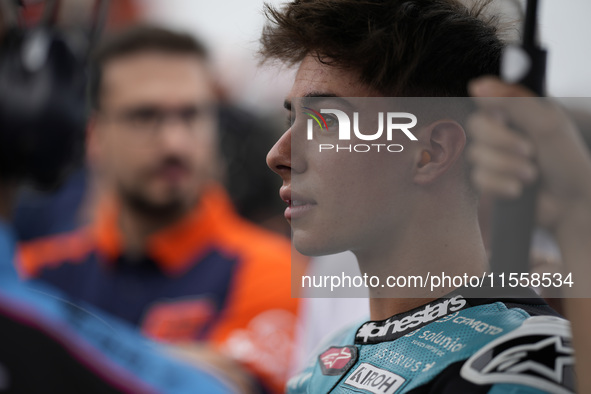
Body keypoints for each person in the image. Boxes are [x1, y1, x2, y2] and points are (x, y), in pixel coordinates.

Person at [260, 0, 575, 392]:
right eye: (293, 121)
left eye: (326, 121)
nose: (278, 155)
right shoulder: (331, 357)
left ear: (433, 152)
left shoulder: (524, 367)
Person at [17, 25, 298, 393]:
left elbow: (230, 385)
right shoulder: (33, 270)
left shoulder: (274, 269)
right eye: (144, 116)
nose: (173, 143)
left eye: (191, 115)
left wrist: (54, 340)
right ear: (95, 136)